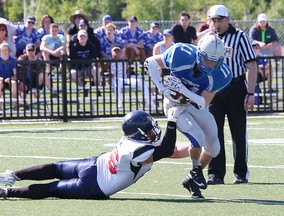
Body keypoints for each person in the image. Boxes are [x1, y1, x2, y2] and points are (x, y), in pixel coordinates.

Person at [0, 109, 184, 199]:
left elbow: (170, 150)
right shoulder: (136, 151)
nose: (153, 132)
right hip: (94, 184)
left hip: (94, 163)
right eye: (149, 130)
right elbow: (167, 150)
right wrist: (172, 121)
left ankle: (12, 177)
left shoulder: (134, 140)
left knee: (55, 169)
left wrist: (198, 147)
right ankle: (8, 189)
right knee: (51, 187)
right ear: (138, 132)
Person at [145, 34, 232, 198]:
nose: (211, 64)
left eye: (215, 61)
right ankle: (196, 168)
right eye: (208, 60)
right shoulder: (181, 53)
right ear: (199, 54)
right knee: (197, 138)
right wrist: (163, 89)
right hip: (174, 104)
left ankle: (192, 178)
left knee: (214, 147)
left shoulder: (222, 74)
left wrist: (183, 90)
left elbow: (202, 103)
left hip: (194, 104)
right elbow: (150, 62)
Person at [207, 5, 257, 185]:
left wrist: (250, 92)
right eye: (214, 20)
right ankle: (215, 174)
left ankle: (241, 173)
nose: (217, 24)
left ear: (228, 19)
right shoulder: (207, 38)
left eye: (220, 20)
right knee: (214, 133)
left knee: (238, 132)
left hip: (236, 88)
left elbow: (251, 65)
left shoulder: (240, 37)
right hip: (214, 90)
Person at [69, 30, 100, 94]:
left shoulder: (91, 46)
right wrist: (81, 69)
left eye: (84, 36)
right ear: (77, 38)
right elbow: (72, 61)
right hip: (77, 67)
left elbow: (94, 58)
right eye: (81, 36)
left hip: (88, 67)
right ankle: (83, 88)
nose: (82, 38)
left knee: (95, 70)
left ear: (87, 37)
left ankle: (97, 89)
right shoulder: (74, 47)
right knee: (72, 74)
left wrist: (89, 67)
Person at [0, 42, 17, 110]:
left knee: (14, 83)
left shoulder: (12, 60)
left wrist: (10, 78)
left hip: (10, 80)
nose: (4, 52)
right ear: (0, 51)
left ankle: (15, 106)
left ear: (9, 51)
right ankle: (0, 107)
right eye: (3, 50)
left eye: (6, 50)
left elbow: (15, 75)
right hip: (1, 81)